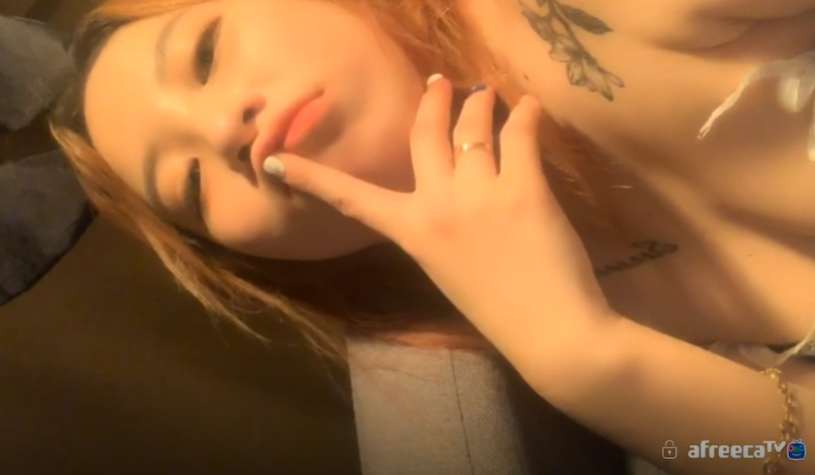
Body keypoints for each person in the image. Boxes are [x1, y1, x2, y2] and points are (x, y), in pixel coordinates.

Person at [48, 0, 815, 473]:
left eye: (205, 53)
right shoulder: (498, 307)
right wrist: (581, 356)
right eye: (189, 183)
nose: (222, 130)